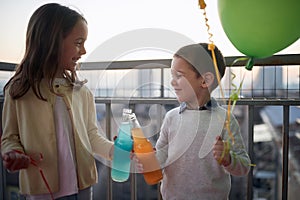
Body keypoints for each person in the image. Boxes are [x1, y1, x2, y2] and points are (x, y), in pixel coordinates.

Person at [0, 3, 114, 200]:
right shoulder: (18, 90)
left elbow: (91, 136)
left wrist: (118, 151)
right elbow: (10, 137)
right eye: (78, 42)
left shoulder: (81, 91)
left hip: (83, 189)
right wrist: (13, 153)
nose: (84, 50)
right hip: (41, 191)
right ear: (51, 42)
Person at [154, 43, 251, 199]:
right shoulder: (171, 118)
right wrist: (144, 156)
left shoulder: (225, 120)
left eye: (179, 76)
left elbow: (244, 166)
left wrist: (228, 159)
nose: (172, 82)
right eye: (172, 76)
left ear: (205, 80)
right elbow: (159, 157)